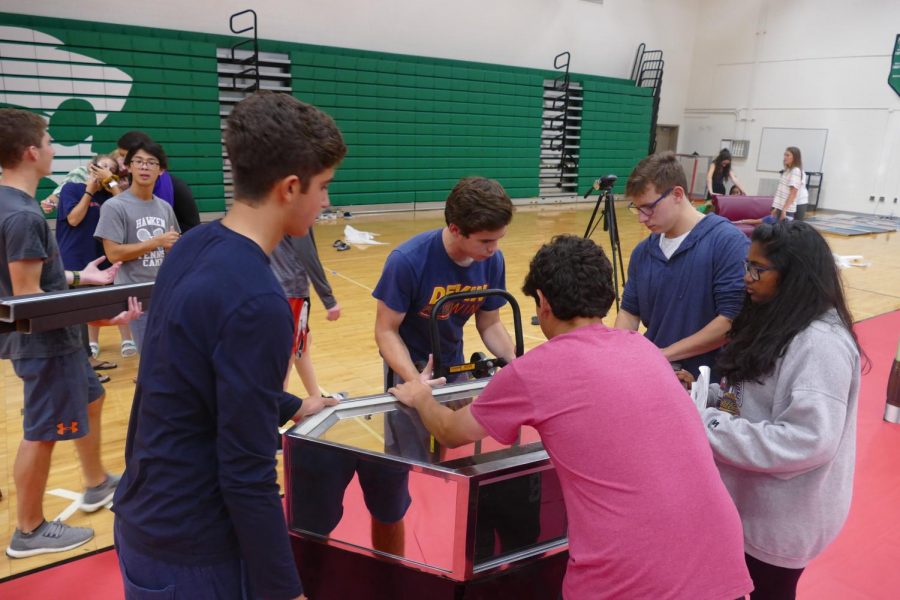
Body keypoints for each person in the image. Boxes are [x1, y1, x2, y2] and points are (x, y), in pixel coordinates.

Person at [389, 235, 753, 600]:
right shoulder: (645, 348)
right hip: (721, 563)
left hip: (631, 578)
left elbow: (450, 431)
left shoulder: (537, 370)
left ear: (543, 303)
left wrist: (420, 396)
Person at [112, 90, 345, 599]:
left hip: (142, 519)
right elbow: (247, 474)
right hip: (195, 549)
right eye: (323, 187)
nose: (326, 202)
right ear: (289, 187)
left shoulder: (194, 244)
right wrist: (287, 590)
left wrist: (291, 403)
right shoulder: (258, 301)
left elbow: (185, 375)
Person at [690, 221, 862, 599]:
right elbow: (753, 400)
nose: (746, 278)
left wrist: (706, 423)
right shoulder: (779, 318)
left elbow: (808, 441)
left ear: (794, 276)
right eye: (746, 266)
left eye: (758, 269)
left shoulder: (820, 344)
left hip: (783, 519)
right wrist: (706, 397)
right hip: (750, 506)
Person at [0, 108, 141, 558]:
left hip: (59, 340)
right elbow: (31, 302)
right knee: (42, 431)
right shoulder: (22, 216)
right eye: (47, 141)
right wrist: (100, 317)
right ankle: (28, 529)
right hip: (45, 345)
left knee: (93, 399)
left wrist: (82, 279)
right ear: (30, 152)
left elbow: (38, 283)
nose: (53, 149)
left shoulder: (12, 205)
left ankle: (97, 483)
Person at [373, 176, 517, 387]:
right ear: (455, 230)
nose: (493, 248)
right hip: (407, 364)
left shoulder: (492, 260)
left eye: (498, 239)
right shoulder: (406, 261)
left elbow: (490, 323)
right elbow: (386, 331)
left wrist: (515, 364)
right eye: (485, 241)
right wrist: (415, 380)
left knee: (457, 419)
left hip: (452, 359)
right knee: (417, 417)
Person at [616, 151, 749, 378]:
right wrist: (617, 355)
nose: (642, 218)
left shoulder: (727, 242)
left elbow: (731, 322)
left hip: (709, 386)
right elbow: (629, 312)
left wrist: (664, 355)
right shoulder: (643, 252)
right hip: (657, 375)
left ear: (677, 194)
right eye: (637, 209)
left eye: (649, 207)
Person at [94, 139, 180, 354]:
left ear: (161, 170)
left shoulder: (165, 207)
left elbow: (172, 246)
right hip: (135, 297)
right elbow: (113, 254)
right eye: (139, 161)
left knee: (173, 356)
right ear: (128, 166)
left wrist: (171, 248)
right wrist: (156, 242)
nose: (144, 167)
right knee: (151, 358)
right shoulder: (114, 206)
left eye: (151, 162)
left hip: (165, 292)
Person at [56, 154, 137, 362]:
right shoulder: (71, 189)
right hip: (77, 259)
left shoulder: (111, 196)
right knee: (81, 310)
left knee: (114, 301)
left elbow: (125, 211)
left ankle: (126, 340)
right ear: (91, 168)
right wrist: (89, 192)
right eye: (102, 167)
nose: (105, 171)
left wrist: (111, 182)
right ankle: (88, 354)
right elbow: (74, 219)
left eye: (111, 169)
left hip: (104, 258)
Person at [270, 228, 341, 398]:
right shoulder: (298, 210)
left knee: (303, 343)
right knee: (288, 353)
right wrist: (328, 299)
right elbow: (307, 253)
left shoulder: (265, 206)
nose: (324, 203)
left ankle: (316, 398)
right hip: (291, 290)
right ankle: (273, 414)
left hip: (270, 286)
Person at [771, 146, 806, 221]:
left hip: (787, 209)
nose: (785, 157)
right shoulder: (787, 170)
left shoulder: (795, 171)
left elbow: (793, 193)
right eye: (784, 155)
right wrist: (776, 207)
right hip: (781, 207)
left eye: (788, 155)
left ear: (795, 157)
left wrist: (784, 210)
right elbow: (782, 191)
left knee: (785, 231)